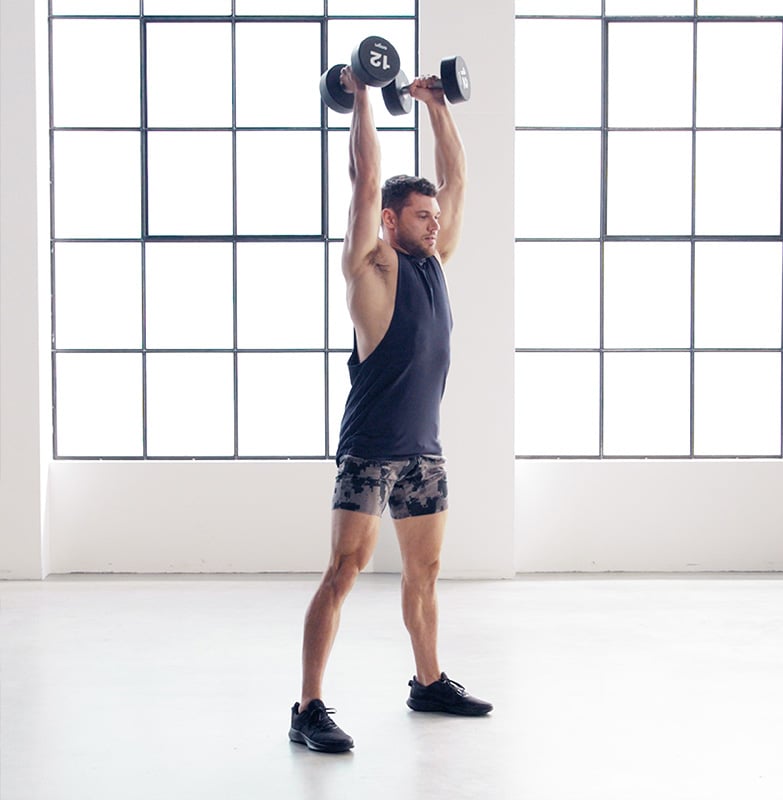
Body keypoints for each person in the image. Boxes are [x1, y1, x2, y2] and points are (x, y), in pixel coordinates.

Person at [288, 63, 492, 754]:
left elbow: (457, 180)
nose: (434, 224)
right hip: (370, 451)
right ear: (389, 220)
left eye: (434, 217)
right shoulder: (370, 268)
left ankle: (428, 683)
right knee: (344, 570)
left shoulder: (435, 259)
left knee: (424, 573)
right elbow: (365, 177)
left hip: (423, 453)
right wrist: (363, 97)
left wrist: (436, 104)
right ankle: (307, 707)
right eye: (420, 216)